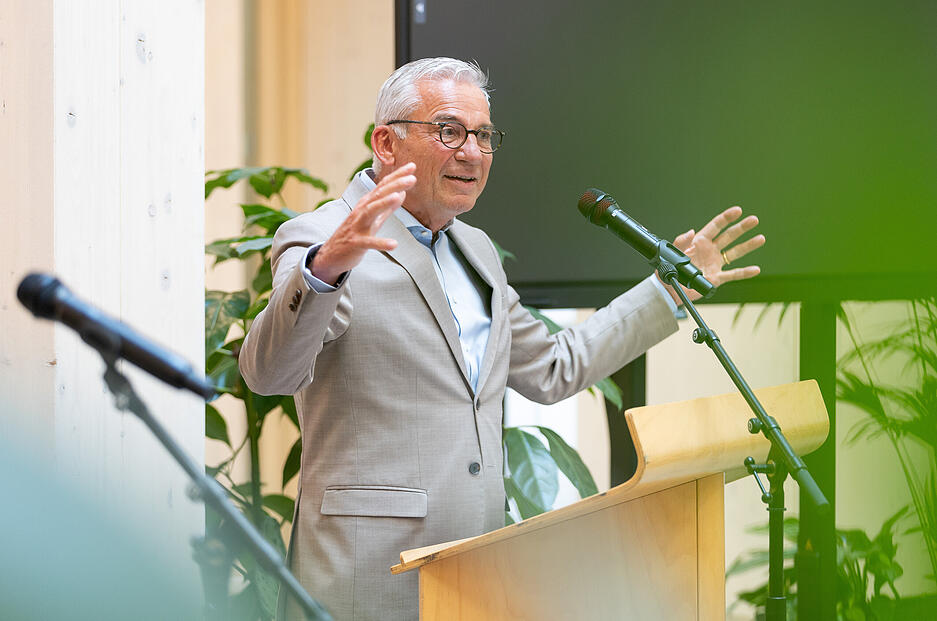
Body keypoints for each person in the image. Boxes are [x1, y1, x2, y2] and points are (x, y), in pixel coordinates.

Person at [239, 57, 765, 621]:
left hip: (478, 571)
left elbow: (554, 368)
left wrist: (668, 292)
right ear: (385, 143)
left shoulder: (477, 250)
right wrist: (326, 269)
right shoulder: (321, 237)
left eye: (483, 135)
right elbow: (269, 374)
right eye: (448, 130)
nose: (471, 152)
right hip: (366, 577)